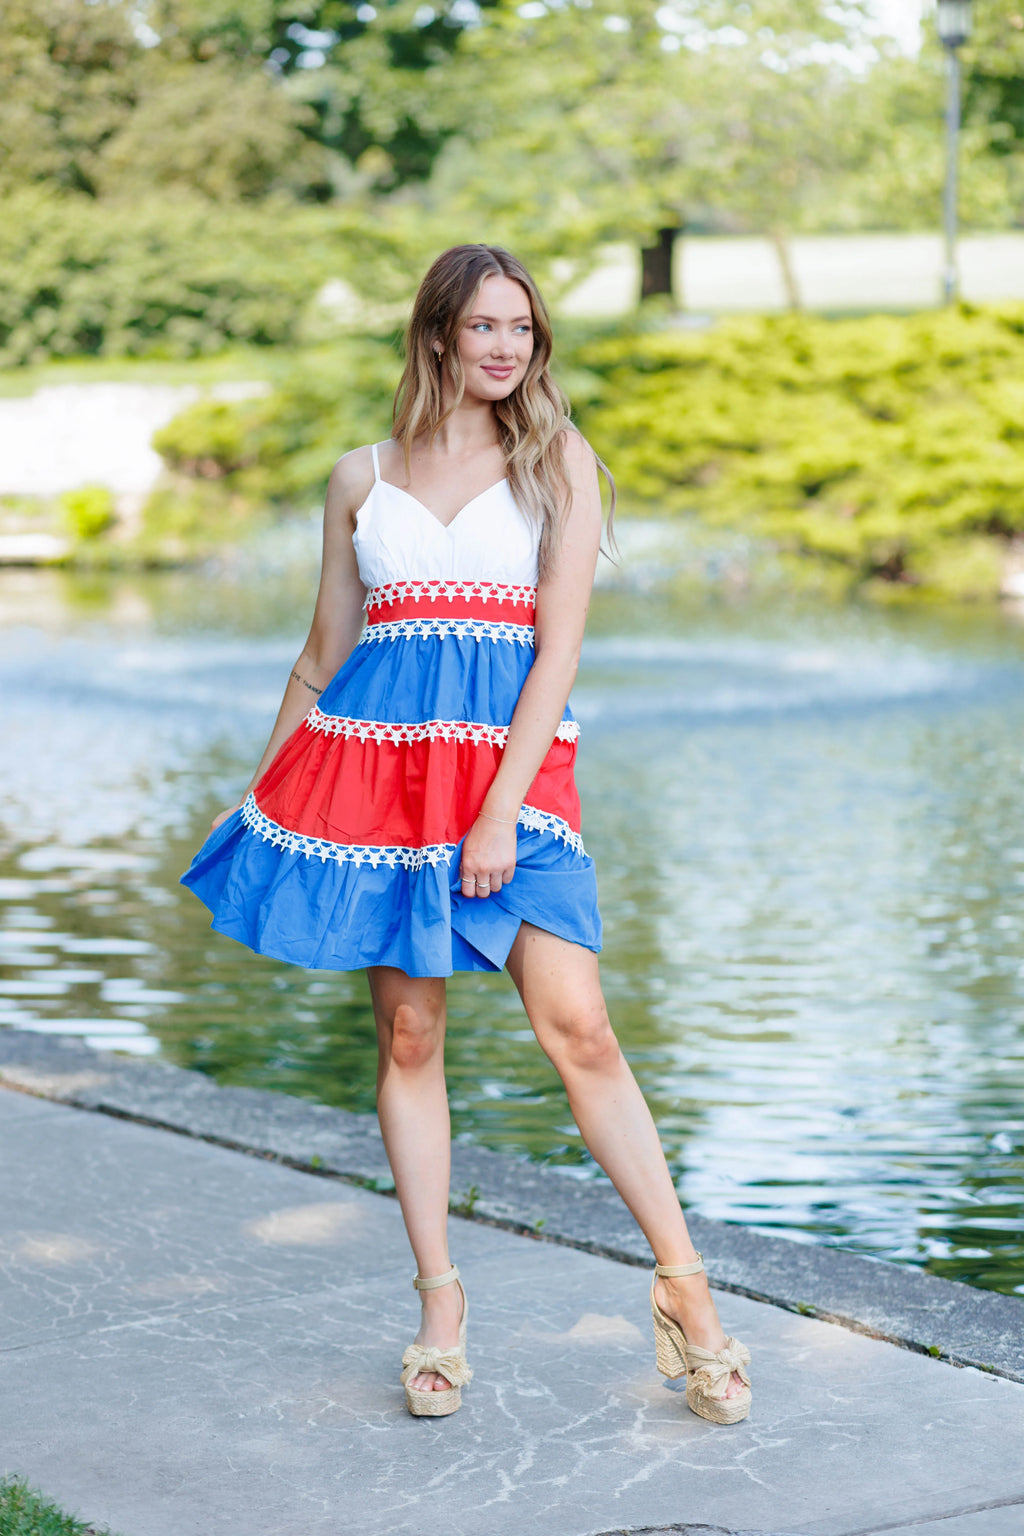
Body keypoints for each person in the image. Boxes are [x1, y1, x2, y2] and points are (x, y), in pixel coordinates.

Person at [180, 243, 751, 1425]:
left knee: (580, 1028)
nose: (506, 348)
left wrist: (499, 808)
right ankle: (439, 1303)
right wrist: (268, 796)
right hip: (378, 784)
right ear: (437, 332)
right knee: (407, 1035)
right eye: (484, 326)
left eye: (523, 331)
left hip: (516, 781)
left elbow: (559, 655)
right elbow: (320, 657)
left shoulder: (558, 463)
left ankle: (687, 1291)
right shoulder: (359, 478)